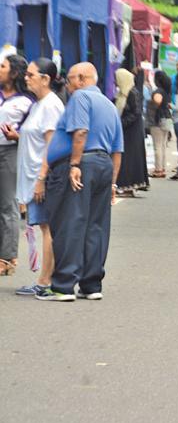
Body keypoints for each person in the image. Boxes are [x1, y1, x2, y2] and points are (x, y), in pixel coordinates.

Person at [35, 62, 123, 301]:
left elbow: (81, 131)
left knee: (70, 223)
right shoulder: (109, 104)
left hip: (82, 164)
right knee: (96, 226)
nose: (68, 84)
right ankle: (91, 284)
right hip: (104, 166)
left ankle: (63, 286)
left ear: (82, 78)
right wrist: (113, 183)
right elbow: (117, 150)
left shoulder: (81, 97)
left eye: (71, 79)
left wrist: (74, 165)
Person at [11, 58, 64, 295]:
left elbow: (51, 145)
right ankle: (45, 280)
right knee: (44, 226)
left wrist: (41, 178)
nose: (26, 77)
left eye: (31, 74)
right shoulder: (38, 104)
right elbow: (37, 139)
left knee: (47, 228)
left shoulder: (51, 105)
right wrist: (18, 137)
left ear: (45, 79)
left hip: (41, 178)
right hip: (34, 176)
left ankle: (45, 281)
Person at [0, 54, 34, 277]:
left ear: (13, 73)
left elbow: (34, 132)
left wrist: (18, 135)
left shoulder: (27, 101)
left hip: (10, 153)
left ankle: (7, 257)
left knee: (7, 206)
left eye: (2, 66)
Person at [114, 69, 148, 196]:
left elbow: (135, 112)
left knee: (130, 158)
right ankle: (125, 186)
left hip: (132, 132)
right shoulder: (123, 93)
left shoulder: (132, 93)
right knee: (126, 158)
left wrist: (121, 123)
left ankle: (128, 186)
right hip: (128, 130)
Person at [146, 71, 172, 178]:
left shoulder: (158, 91)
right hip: (167, 118)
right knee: (162, 145)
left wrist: (150, 102)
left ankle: (158, 169)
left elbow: (157, 100)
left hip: (158, 120)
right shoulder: (166, 91)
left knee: (157, 146)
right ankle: (162, 168)